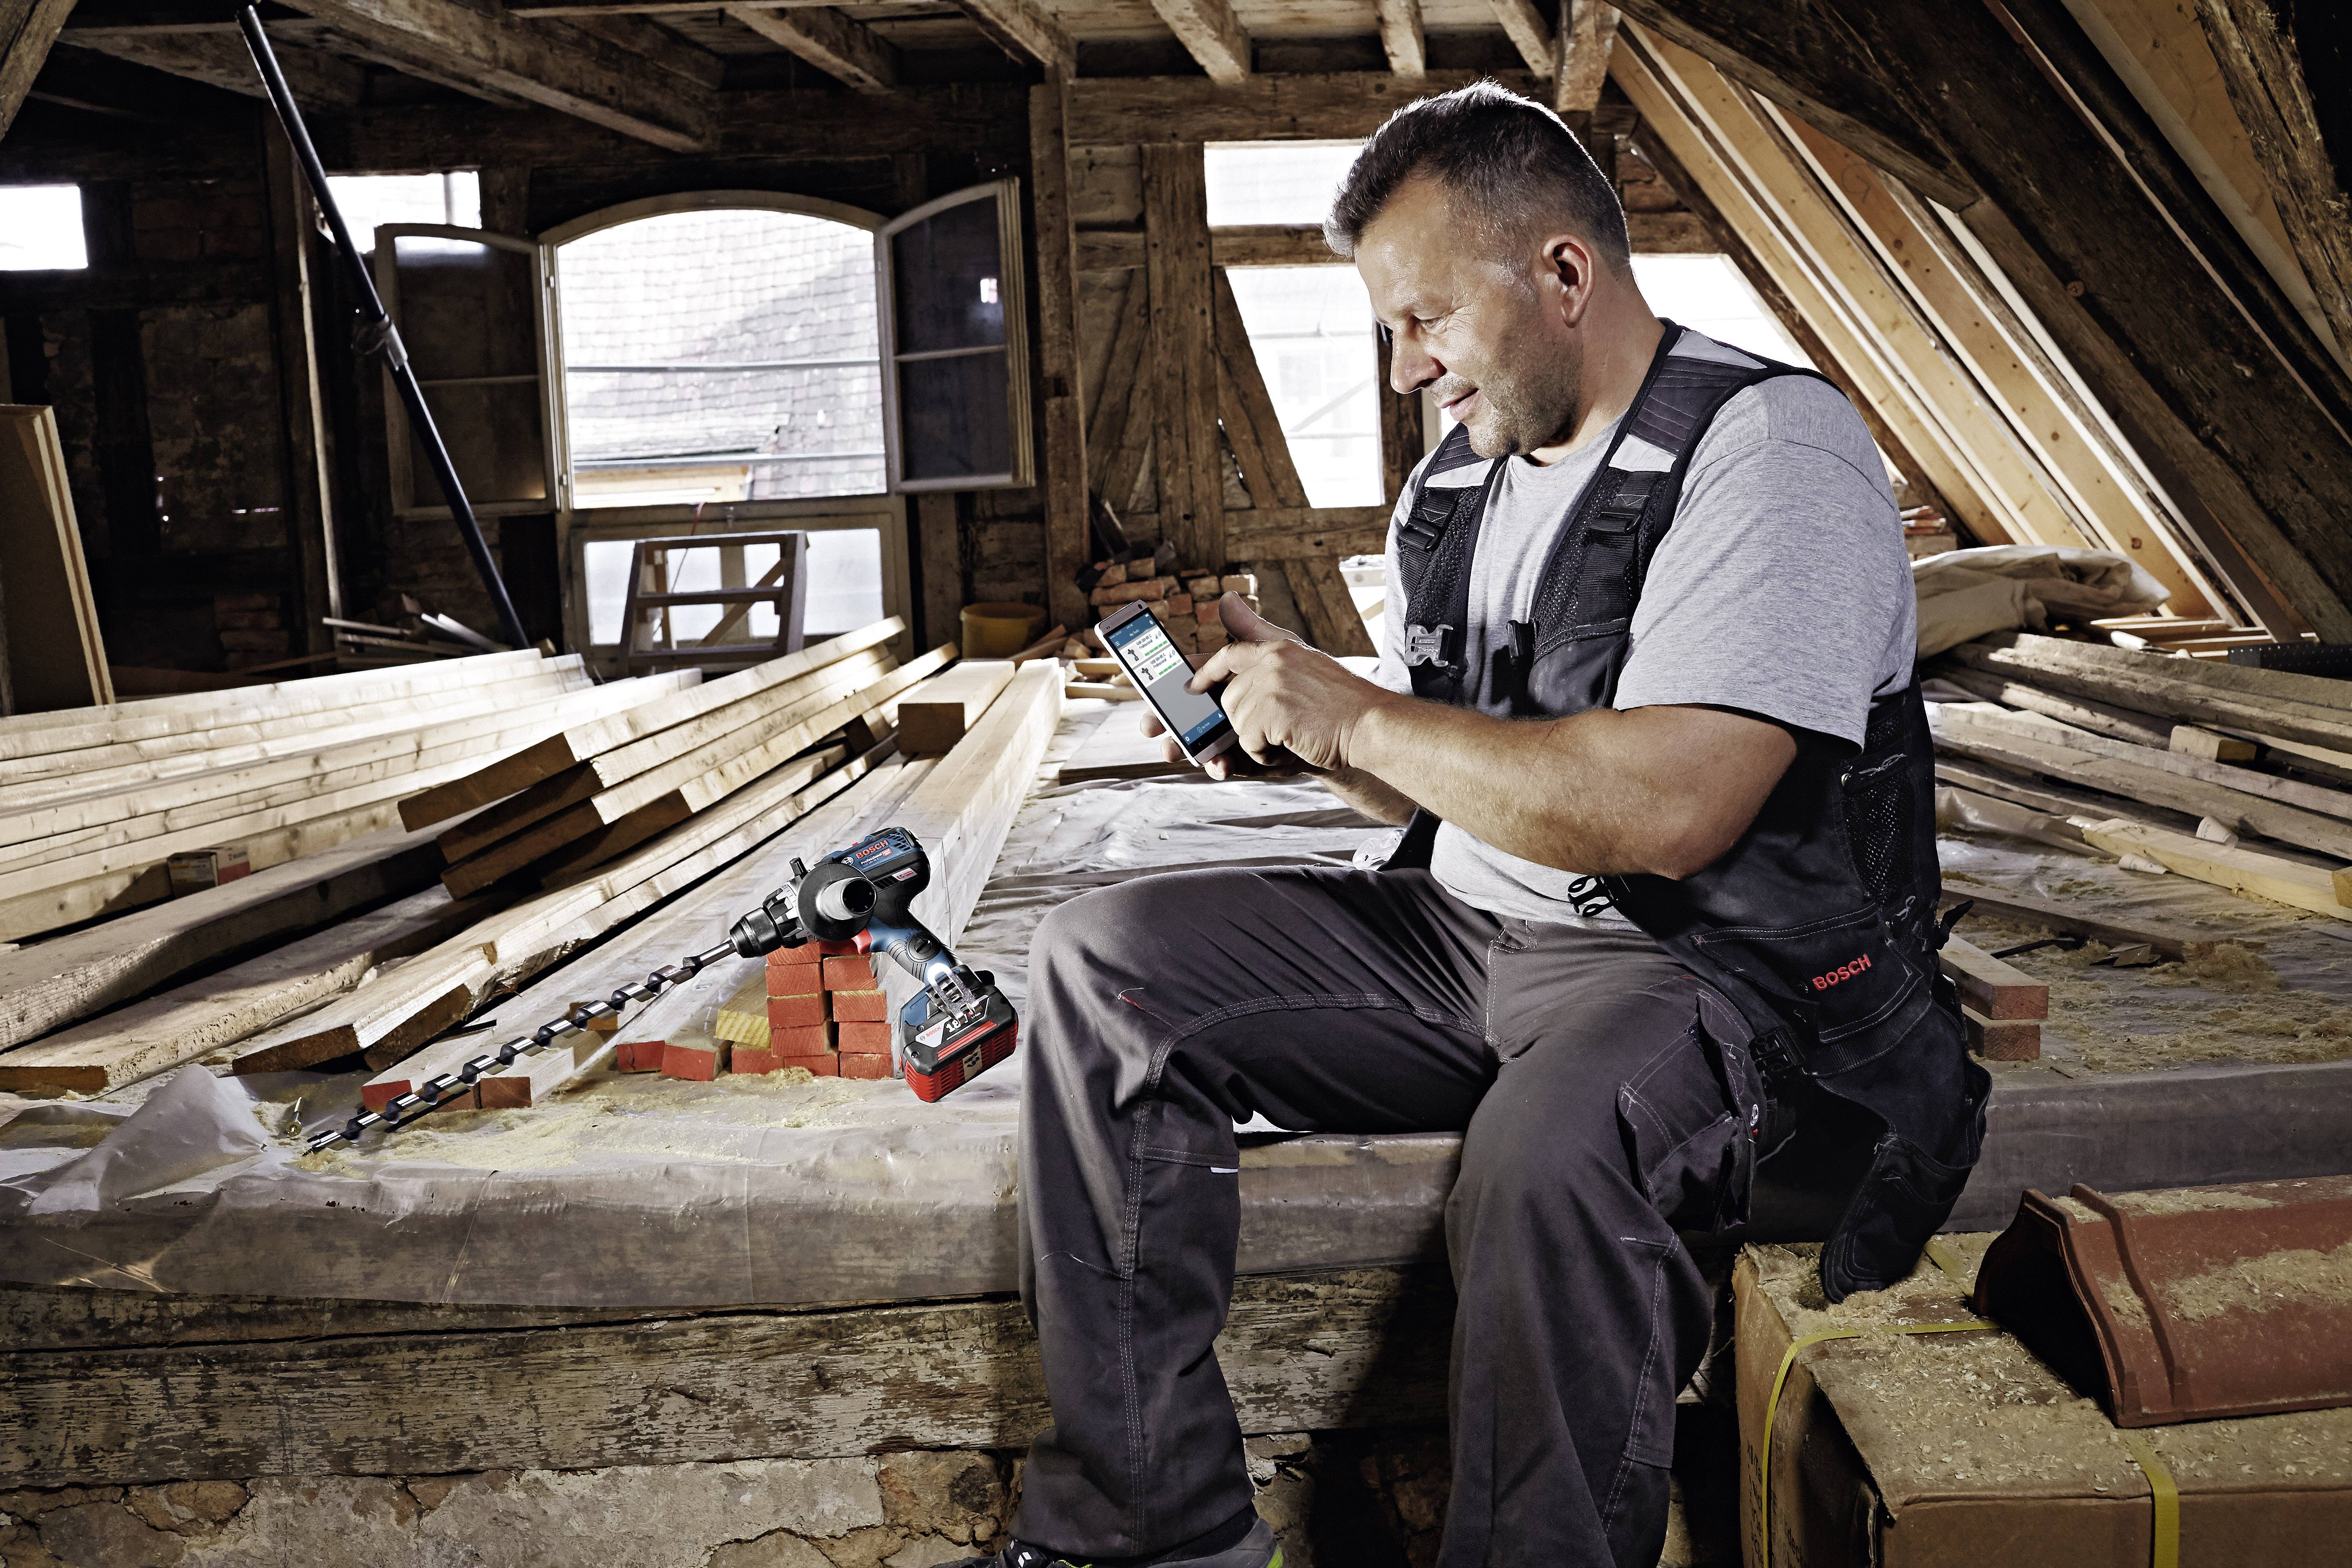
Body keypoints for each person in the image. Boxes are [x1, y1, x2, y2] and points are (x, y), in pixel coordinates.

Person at [947, 80, 1984, 1568]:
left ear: (1563, 273)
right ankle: (1148, 1533)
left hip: (1714, 972)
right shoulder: (1463, 481)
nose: (1401, 370)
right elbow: (1473, 770)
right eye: (1386, 329)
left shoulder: (1770, 453)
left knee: (1553, 1151)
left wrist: (1361, 715)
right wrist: (1304, 723)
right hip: (1466, 934)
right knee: (1106, 962)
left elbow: (1672, 811)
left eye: (1425, 318)